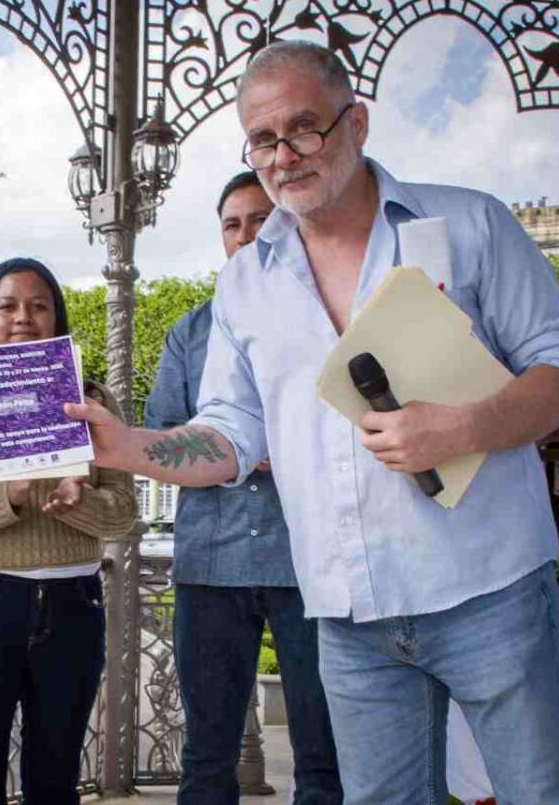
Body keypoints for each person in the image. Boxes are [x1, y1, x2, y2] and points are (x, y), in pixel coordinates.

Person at [65, 41, 559, 804]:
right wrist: (131, 447)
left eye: (304, 128)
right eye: (263, 139)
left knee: (543, 795)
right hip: (348, 620)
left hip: (491, 591)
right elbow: (230, 433)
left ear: (358, 123)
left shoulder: (472, 222)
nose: (284, 156)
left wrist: (467, 425)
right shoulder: (246, 281)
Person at [0, 257, 138, 805]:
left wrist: (78, 504)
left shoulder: (93, 401)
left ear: (56, 317)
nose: (23, 318)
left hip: (73, 602)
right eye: (6, 305)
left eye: (39, 306)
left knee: (56, 780)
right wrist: (11, 495)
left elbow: (124, 509)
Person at [144, 170, 340, 805]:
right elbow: (162, 430)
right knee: (207, 751)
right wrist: (248, 445)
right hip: (210, 561)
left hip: (306, 561)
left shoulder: (330, 318)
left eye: (261, 219)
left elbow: (346, 426)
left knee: (322, 747)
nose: (246, 234)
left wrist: (249, 445)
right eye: (233, 224)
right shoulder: (189, 331)